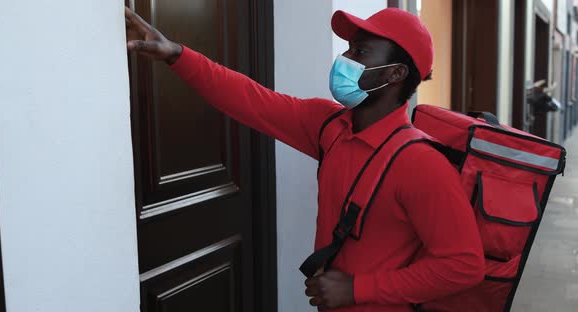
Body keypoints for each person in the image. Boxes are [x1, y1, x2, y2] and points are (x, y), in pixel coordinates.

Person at [125, 7, 485, 311]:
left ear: (395, 74)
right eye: (348, 49)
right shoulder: (328, 125)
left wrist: (357, 289)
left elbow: (464, 265)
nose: (344, 59)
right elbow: (249, 98)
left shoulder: (422, 163)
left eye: (360, 52)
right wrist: (175, 54)